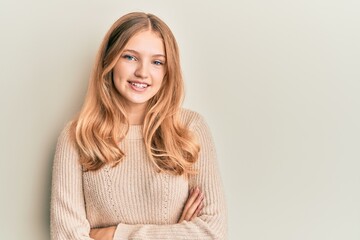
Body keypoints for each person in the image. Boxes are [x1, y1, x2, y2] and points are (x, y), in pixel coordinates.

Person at [50, 12, 227, 240]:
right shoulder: (78, 136)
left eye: (157, 62)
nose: (143, 72)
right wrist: (175, 232)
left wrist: (114, 234)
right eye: (130, 57)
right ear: (109, 61)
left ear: (167, 70)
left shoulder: (190, 129)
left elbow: (213, 233)